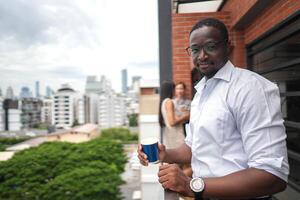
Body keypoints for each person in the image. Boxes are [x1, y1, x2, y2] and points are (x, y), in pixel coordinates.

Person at [138, 18, 289, 200]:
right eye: (195, 49)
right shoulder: (202, 92)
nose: (201, 56)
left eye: (210, 46)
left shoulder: (251, 88)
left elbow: (272, 175)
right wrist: (166, 153)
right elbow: (195, 146)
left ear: (228, 46)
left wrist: (190, 185)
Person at [159, 81, 190, 149]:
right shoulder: (169, 102)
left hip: (169, 135)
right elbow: (172, 122)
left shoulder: (164, 102)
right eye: (174, 88)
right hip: (175, 135)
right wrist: (186, 116)